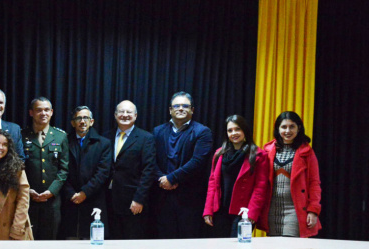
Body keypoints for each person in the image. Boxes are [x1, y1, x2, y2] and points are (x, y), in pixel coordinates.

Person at [151, 91, 213, 239]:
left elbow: (198, 161)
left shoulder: (203, 132)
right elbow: (150, 160)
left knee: (188, 243)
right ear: (170, 110)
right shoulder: (157, 131)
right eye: (176, 106)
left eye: (185, 106)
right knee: (164, 242)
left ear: (192, 110)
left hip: (190, 199)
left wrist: (172, 178)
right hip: (162, 197)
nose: (180, 108)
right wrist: (162, 179)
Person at [202, 115, 270, 238]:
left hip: (244, 213)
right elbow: (213, 184)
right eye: (230, 130)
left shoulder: (259, 155)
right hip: (220, 210)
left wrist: (252, 214)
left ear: (245, 131)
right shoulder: (219, 154)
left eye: (237, 129)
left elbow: (260, 188)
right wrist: (208, 209)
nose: (234, 133)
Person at [258, 112, 322, 238]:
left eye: (292, 126)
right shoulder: (267, 151)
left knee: (290, 248)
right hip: (271, 210)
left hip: (295, 210)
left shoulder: (307, 152)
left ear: (299, 128)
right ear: (278, 129)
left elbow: (314, 183)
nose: (288, 130)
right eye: (284, 127)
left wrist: (313, 210)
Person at [59, 106, 111, 240]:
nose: (82, 121)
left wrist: (84, 193)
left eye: (86, 118)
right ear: (72, 122)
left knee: (92, 245)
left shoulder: (103, 143)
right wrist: (71, 193)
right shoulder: (64, 141)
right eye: (78, 118)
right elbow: (60, 170)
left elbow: (103, 173)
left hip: (93, 200)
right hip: (70, 201)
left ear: (92, 121)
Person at [20, 97, 68, 240]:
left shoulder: (60, 136)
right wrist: (27, 190)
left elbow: (64, 169)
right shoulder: (21, 135)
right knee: (27, 241)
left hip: (52, 201)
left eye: (46, 110)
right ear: (31, 113)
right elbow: (17, 167)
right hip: (28, 199)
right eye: (39, 110)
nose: (43, 113)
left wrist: (51, 191)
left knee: (50, 241)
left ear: (52, 112)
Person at [108, 100, 156, 240]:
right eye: (121, 112)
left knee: (132, 240)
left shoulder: (146, 138)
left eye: (128, 112)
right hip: (109, 198)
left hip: (133, 201)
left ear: (135, 115)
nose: (124, 115)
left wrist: (139, 199)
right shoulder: (106, 136)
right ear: (115, 115)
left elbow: (148, 171)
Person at [0, 129, 33, 240]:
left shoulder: (17, 168)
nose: (0, 147)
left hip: (13, 226)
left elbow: (23, 200)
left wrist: (17, 229)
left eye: (5, 145)